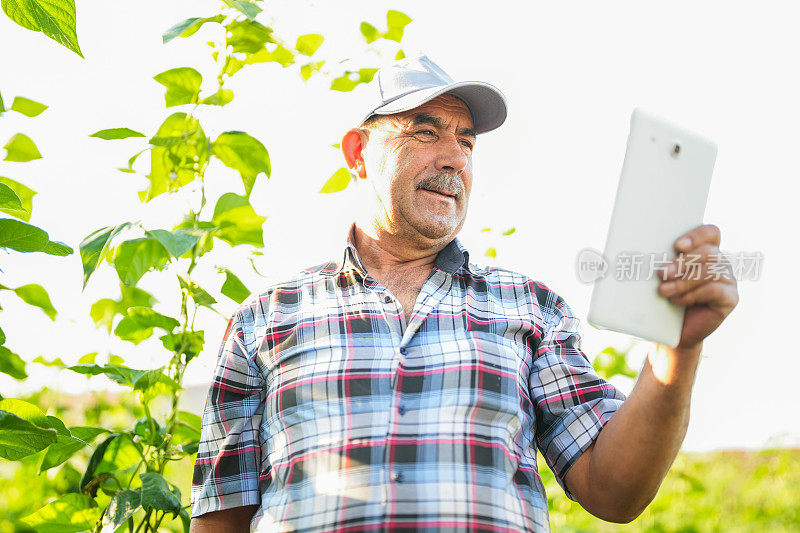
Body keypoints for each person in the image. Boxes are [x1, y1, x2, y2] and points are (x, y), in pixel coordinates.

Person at [189, 56, 739, 532]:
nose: (453, 158)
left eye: (466, 141)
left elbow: (614, 491)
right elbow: (221, 519)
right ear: (357, 153)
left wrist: (677, 349)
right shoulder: (265, 318)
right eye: (426, 133)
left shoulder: (531, 308)